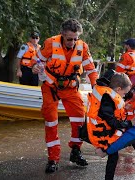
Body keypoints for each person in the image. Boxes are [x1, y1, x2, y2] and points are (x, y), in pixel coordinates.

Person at [32, 18, 98, 173]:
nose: (73, 42)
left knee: (80, 120)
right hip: (51, 87)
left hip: (71, 88)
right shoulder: (50, 43)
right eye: (69, 39)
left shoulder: (82, 47)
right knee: (51, 122)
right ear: (62, 34)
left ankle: (75, 151)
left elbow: (90, 69)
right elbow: (36, 60)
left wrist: (96, 88)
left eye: (76, 39)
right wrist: (35, 67)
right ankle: (53, 159)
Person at [85, 70, 134, 180]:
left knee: (115, 153)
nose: (124, 96)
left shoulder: (106, 94)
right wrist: (128, 123)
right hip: (101, 134)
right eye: (124, 94)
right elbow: (112, 121)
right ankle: (103, 150)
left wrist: (124, 107)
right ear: (118, 89)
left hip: (98, 129)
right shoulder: (107, 98)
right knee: (124, 138)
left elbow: (111, 112)